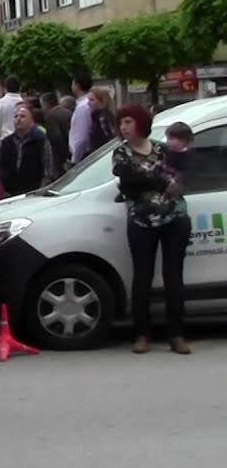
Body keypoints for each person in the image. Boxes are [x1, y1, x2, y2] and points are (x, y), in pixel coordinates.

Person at [112, 105, 192, 355]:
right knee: (142, 277)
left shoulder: (163, 149)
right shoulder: (121, 153)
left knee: (174, 276)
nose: (124, 127)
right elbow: (130, 182)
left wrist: (174, 182)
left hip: (174, 217)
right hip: (141, 221)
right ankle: (142, 333)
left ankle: (176, 334)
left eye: (128, 121)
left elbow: (183, 172)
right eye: (121, 123)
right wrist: (162, 181)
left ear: (141, 122)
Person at [0, 104, 54, 197]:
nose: (18, 119)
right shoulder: (6, 142)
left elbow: (47, 171)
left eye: (22, 116)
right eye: (16, 116)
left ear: (32, 120)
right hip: (10, 194)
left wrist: (40, 191)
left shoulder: (40, 140)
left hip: (33, 193)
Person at [68, 72, 94, 165]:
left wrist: (74, 160)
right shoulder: (87, 103)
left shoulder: (82, 106)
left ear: (77, 86)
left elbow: (81, 137)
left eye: (72, 83)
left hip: (83, 156)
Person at [0, 76, 24, 141]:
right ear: (20, 88)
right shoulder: (23, 103)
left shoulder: (0, 103)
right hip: (21, 139)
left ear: (5, 88)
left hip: (5, 137)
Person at [88, 87, 118, 156]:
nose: (88, 103)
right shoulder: (95, 117)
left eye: (92, 100)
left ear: (102, 102)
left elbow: (112, 138)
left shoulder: (104, 118)